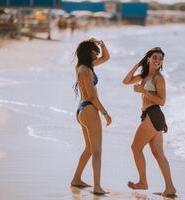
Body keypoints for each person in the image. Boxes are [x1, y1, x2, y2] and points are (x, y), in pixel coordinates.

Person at [122, 47, 177, 198]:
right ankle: (170, 188)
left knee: (135, 148)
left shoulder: (158, 78)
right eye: (155, 57)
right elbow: (125, 81)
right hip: (151, 116)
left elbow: (162, 101)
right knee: (158, 154)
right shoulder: (145, 76)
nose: (158, 60)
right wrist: (138, 64)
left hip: (153, 114)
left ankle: (143, 182)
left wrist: (143, 91)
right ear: (148, 59)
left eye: (160, 58)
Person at [71, 38, 111, 195]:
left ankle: (76, 179)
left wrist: (101, 44)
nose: (98, 53)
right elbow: (93, 97)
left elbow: (106, 58)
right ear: (88, 52)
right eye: (95, 50)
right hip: (89, 109)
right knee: (97, 150)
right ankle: (97, 186)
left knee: (89, 148)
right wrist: (105, 113)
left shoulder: (82, 67)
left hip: (81, 110)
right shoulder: (86, 71)